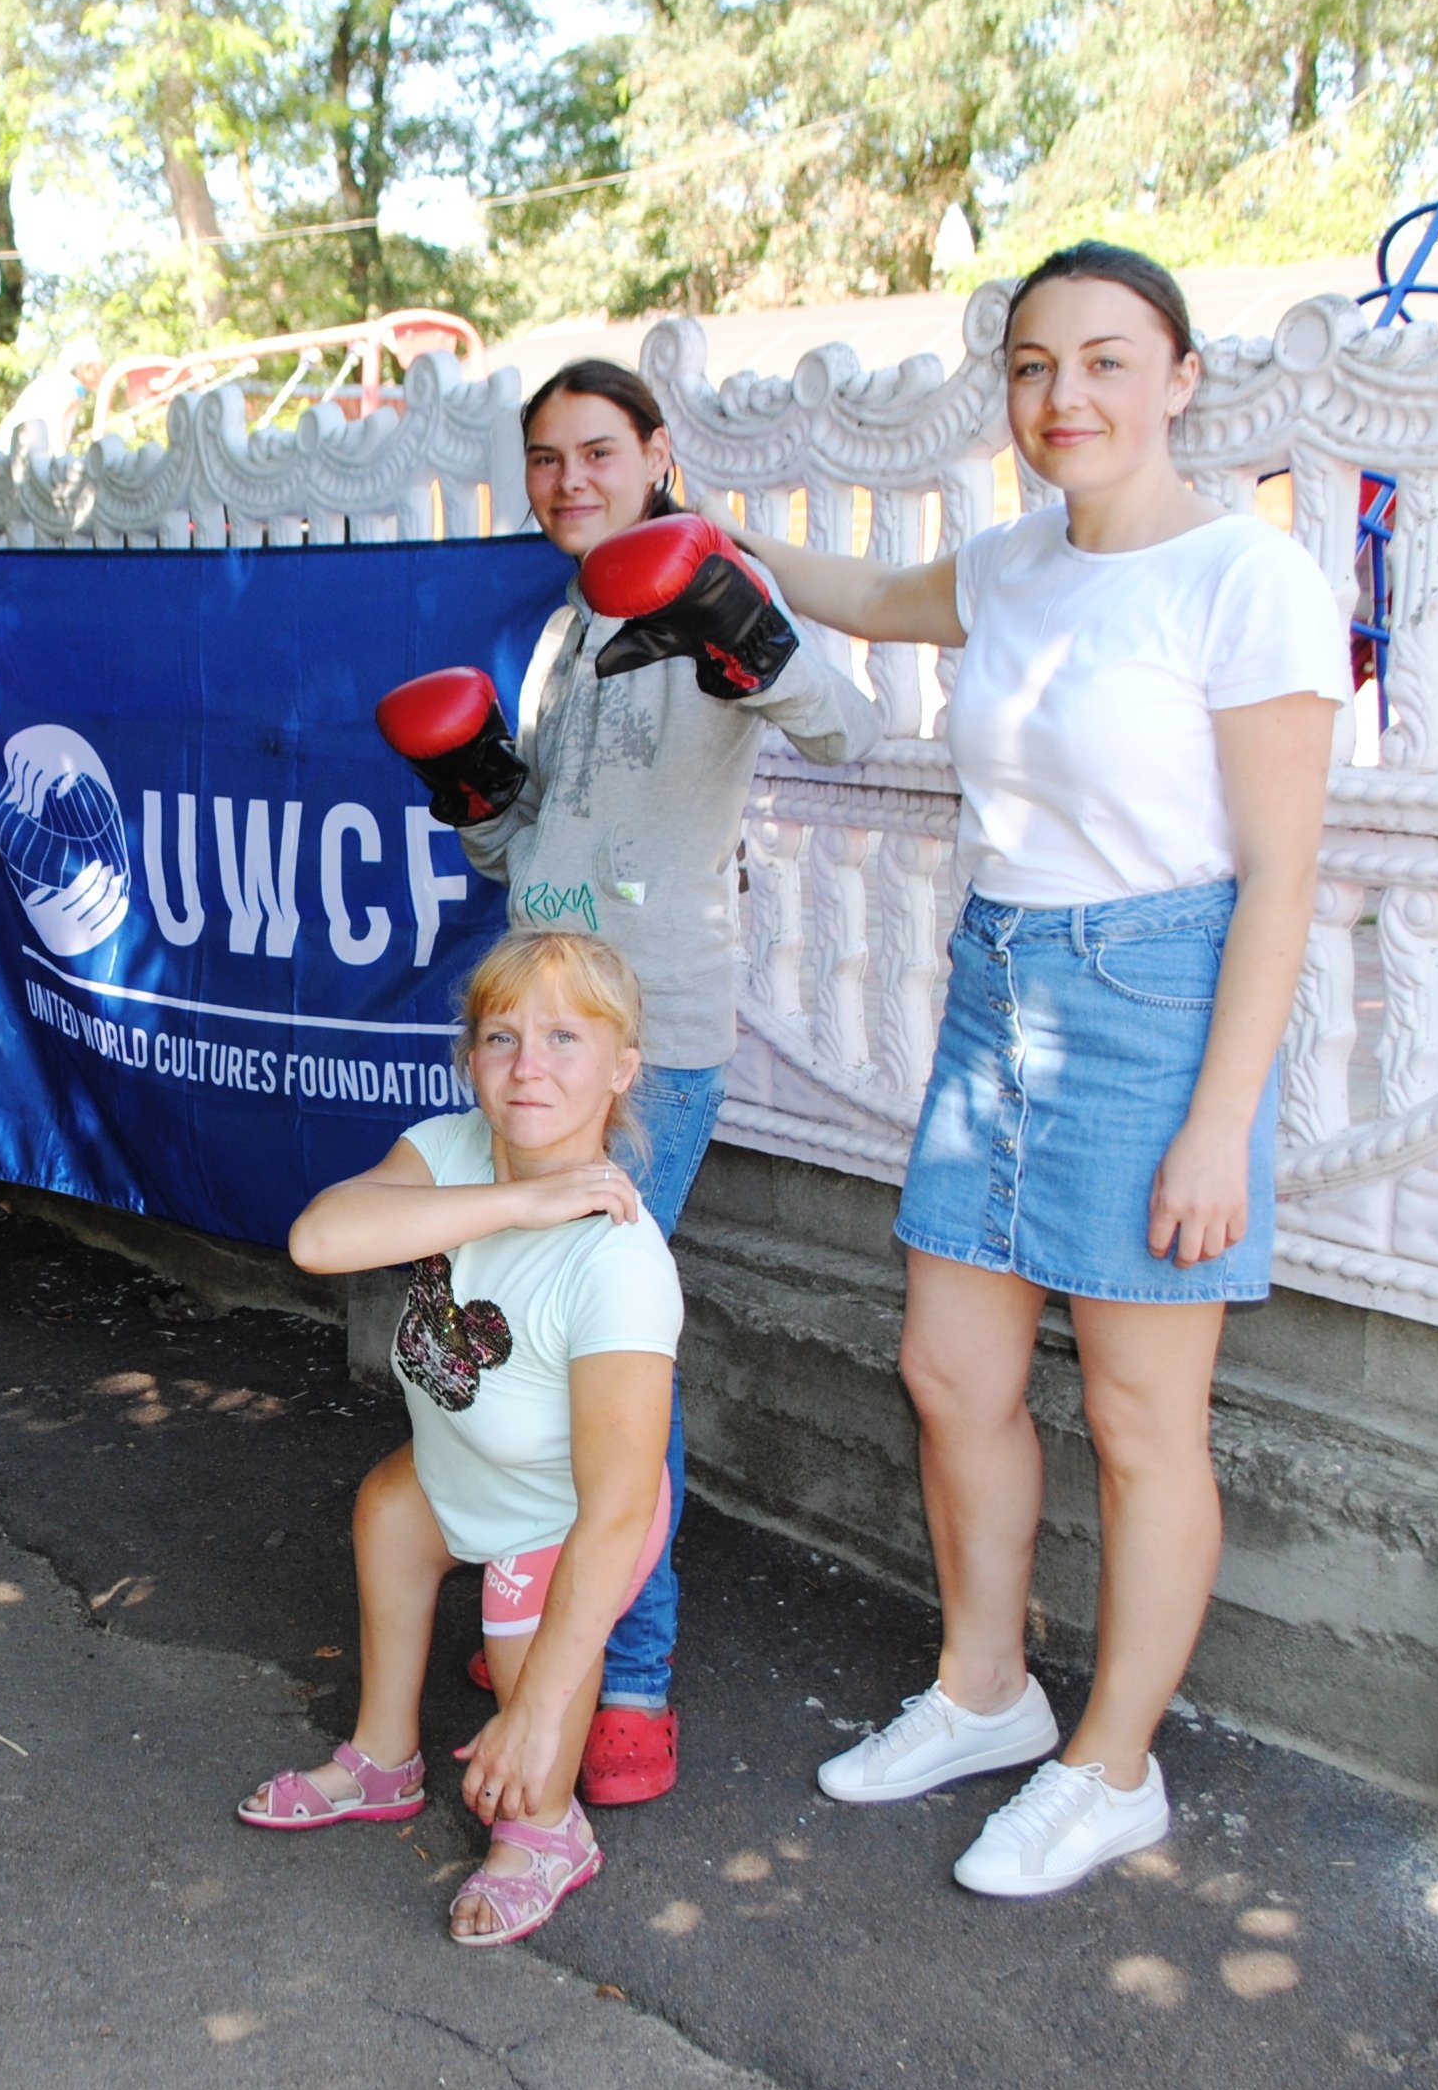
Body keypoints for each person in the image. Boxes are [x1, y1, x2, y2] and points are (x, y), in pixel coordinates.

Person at [728, 244, 1343, 1896]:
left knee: (1144, 1419)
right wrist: (719, 544)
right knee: (948, 1370)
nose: (1064, 395)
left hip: (1156, 1001)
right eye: (1030, 366)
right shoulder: (1013, 562)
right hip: (1000, 984)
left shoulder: (1245, 578)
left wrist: (1219, 1123)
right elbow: (867, 600)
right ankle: (986, 1690)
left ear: (1180, 376)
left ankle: (1112, 1765)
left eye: (1105, 359)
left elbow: (1281, 878)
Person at [372, 360, 879, 1807]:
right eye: (545, 458)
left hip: (642, 1039)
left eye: (597, 451)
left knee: (609, 1355)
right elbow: (524, 848)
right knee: (534, 1331)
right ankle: (548, 1613)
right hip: (539, 1022)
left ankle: (629, 1676)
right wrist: (473, 789)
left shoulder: (708, 582)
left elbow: (847, 729)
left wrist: (741, 630)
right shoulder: (558, 632)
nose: (568, 481)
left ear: (657, 454)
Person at [242, 931, 682, 1949]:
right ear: (470, 1057)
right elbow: (318, 1237)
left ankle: (547, 1836)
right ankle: (382, 1760)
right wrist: (519, 1200)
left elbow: (617, 1511)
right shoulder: (449, 1150)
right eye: (501, 1036)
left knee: (526, 1661)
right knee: (390, 1512)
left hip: (568, 1522)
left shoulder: (618, 1263)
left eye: (565, 1038)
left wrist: (536, 1711)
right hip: (462, 1472)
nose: (528, 1065)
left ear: (620, 1068)